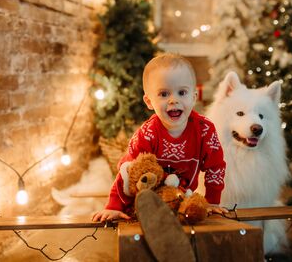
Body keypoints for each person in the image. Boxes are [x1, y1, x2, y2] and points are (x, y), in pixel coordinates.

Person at [92, 53, 227, 222]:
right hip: (148, 200)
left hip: (182, 199)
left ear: (193, 97)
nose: (173, 100)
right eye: (164, 94)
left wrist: (213, 202)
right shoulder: (147, 134)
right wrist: (113, 206)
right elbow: (128, 172)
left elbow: (216, 167)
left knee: (191, 213)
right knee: (145, 213)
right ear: (149, 101)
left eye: (182, 92)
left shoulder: (204, 129)